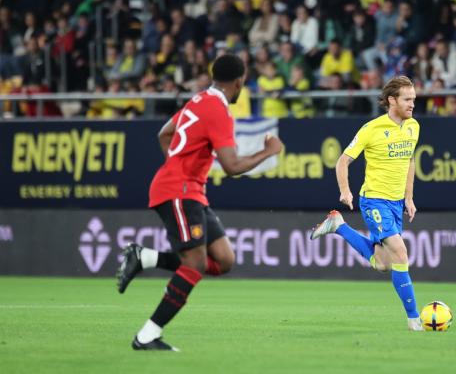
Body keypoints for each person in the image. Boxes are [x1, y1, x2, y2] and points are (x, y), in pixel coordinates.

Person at [115, 54, 283, 351]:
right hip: (179, 191)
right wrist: (268, 152)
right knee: (195, 263)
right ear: (239, 81)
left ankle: (144, 258)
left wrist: (181, 167)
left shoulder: (199, 99)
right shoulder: (218, 109)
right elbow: (231, 166)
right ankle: (147, 335)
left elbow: (164, 134)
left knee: (224, 260)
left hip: (187, 189)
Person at [310, 76, 423, 331]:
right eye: (407, 99)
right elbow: (342, 161)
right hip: (374, 200)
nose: (412, 104)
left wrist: (409, 197)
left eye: (414, 99)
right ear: (392, 100)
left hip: (395, 203)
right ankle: (414, 318)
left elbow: (410, 161)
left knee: (384, 264)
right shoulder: (371, 129)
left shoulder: (413, 126)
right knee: (401, 253)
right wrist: (345, 191)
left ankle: (338, 226)